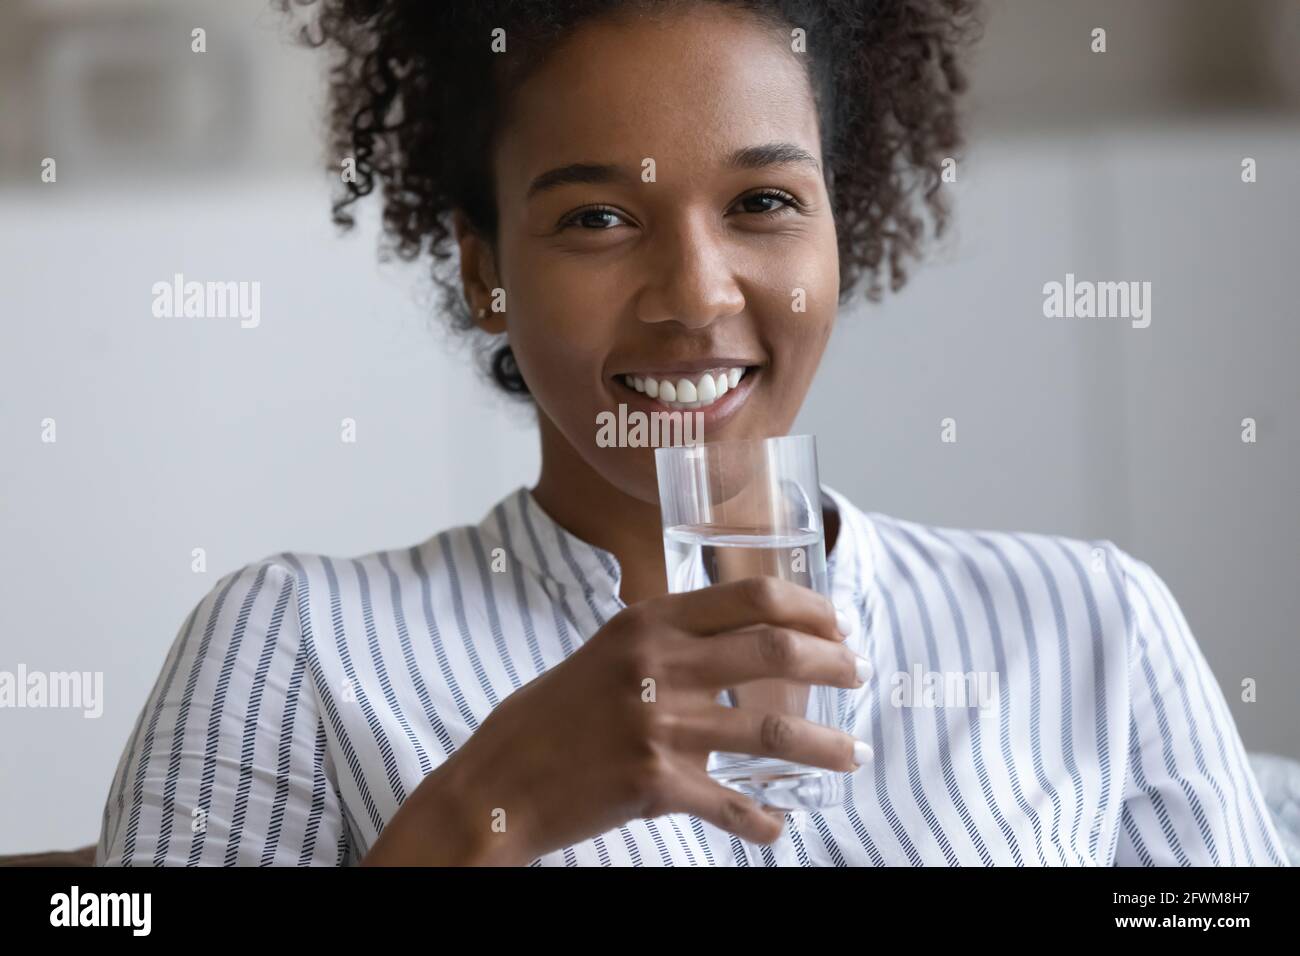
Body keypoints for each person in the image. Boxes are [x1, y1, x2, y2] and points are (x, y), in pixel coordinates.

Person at [95, 0, 1286, 866]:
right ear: (484, 269)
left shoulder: (1094, 623)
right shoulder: (298, 642)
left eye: (763, 202)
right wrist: (481, 811)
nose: (696, 293)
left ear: (841, 230)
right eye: (598, 216)